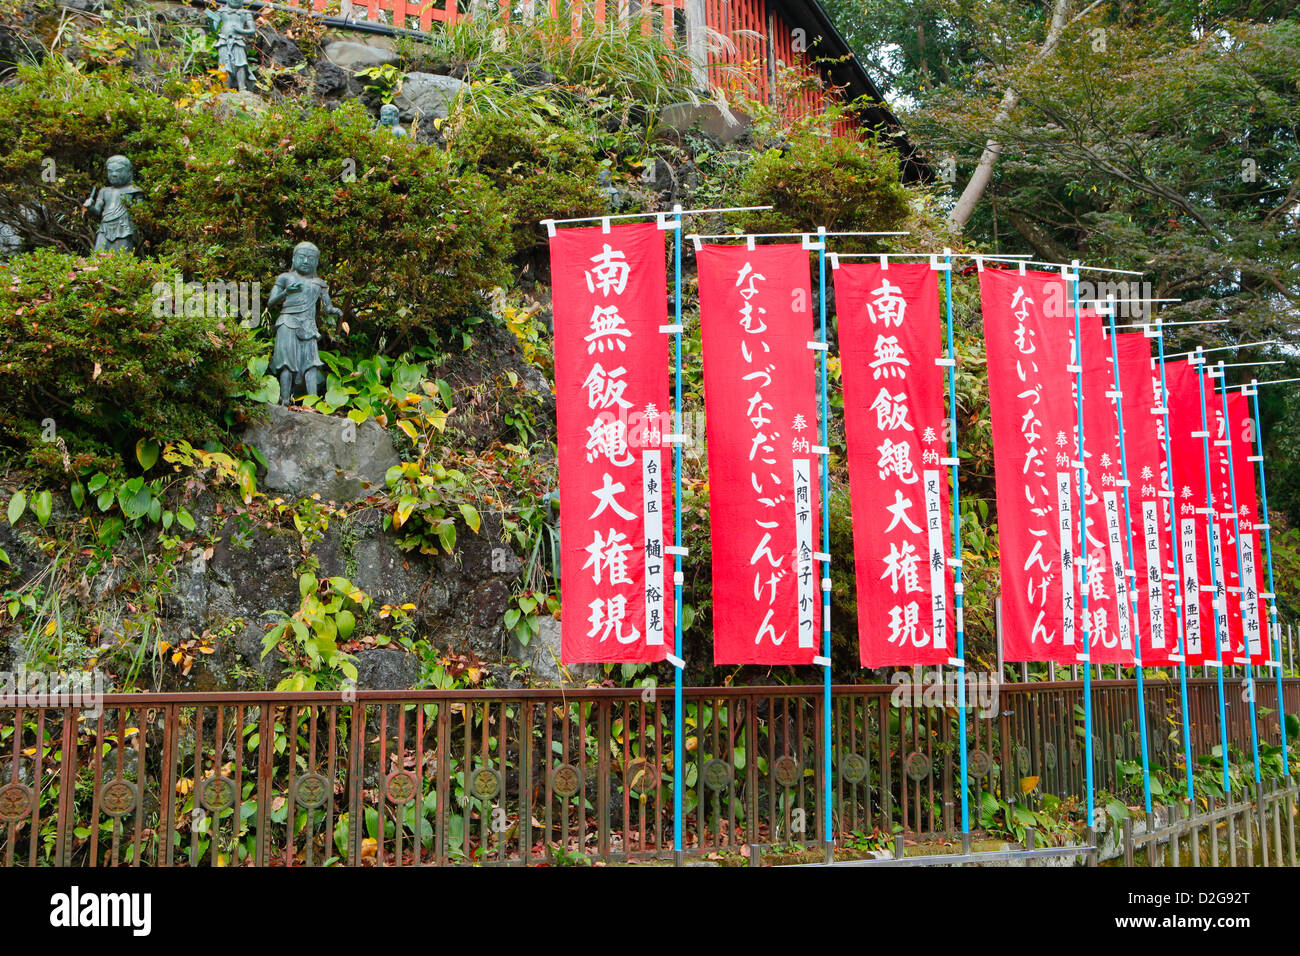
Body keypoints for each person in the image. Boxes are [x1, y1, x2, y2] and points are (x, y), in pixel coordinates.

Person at [267, 242, 342, 405]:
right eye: (302, 257)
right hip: (287, 323)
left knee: (311, 364)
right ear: (294, 259)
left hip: (308, 326)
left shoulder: (319, 283)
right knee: (287, 364)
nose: (306, 261)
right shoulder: (285, 278)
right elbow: (270, 303)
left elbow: (327, 305)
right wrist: (286, 292)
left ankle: (312, 402)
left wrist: (333, 310)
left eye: (310, 258)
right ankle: (285, 399)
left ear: (316, 262)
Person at [83, 155, 143, 253]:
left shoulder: (134, 191)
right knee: (98, 255)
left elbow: (141, 212)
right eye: (110, 171)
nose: (114, 174)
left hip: (124, 227)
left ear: (129, 172)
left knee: (122, 258)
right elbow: (97, 211)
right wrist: (90, 207)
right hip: (105, 227)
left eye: (119, 171)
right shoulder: (104, 191)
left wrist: (130, 206)